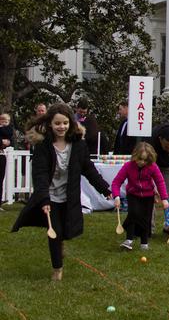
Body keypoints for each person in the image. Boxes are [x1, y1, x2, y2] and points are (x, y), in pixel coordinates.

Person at [11, 103, 113, 280]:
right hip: (50, 196)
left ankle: (59, 245)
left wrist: (105, 189)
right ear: (50, 123)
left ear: (70, 123)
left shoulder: (78, 146)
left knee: (66, 230)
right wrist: (44, 200)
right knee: (54, 231)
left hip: (69, 196)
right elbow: (40, 175)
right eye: (57, 123)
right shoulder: (43, 146)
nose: (61, 127)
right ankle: (57, 269)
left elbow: (89, 169)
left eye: (65, 123)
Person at [112, 142, 169, 251]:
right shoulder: (128, 166)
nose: (142, 162)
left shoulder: (153, 167)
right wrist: (116, 196)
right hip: (133, 194)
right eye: (140, 159)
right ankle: (129, 240)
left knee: (145, 219)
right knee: (133, 213)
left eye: (145, 160)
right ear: (135, 156)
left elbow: (160, 181)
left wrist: (164, 198)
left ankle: (144, 242)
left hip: (148, 196)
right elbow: (116, 182)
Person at [0, 112, 14, 208]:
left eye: (7, 121)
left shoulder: (8, 129)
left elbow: (10, 139)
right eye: (4, 121)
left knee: (1, 179)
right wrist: (2, 141)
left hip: (1, 154)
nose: (6, 122)